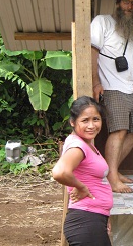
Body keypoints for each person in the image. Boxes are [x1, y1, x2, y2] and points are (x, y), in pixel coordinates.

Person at [91, 0, 133, 193]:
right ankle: (112, 177)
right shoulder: (102, 21)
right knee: (119, 131)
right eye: (126, 1)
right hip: (112, 86)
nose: (130, 6)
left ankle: (112, 171)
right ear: (118, 3)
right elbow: (92, 51)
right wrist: (95, 82)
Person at [52, 96, 113, 246]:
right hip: (85, 220)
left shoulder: (86, 144)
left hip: (92, 220)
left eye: (96, 119)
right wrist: (81, 187)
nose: (91, 125)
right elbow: (60, 172)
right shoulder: (77, 146)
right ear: (73, 122)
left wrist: (104, 216)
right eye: (85, 120)